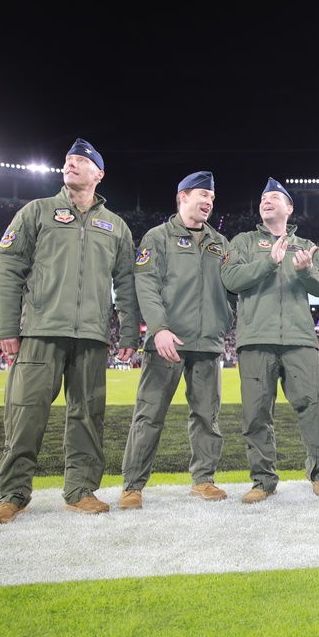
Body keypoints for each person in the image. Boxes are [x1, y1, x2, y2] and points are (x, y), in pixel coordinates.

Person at [0, 138, 139, 524]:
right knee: (25, 414)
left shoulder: (115, 226)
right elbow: (8, 267)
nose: (70, 164)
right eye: (68, 160)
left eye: (81, 161)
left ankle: (80, 491)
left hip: (91, 336)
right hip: (40, 331)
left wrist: (129, 335)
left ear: (98, 174)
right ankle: (13, 495)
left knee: (88, 417)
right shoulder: (36, 212)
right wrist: (7, 325)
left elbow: (127, 283)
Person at [119, 171, 235, 509]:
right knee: (149, 414)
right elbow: (146, 285)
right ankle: (133, 486)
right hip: (166, 343)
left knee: (207, 416)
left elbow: (231, 290)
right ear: (182, 197)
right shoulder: (157, 238)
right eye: (202, 195)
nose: (208, 201)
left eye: (212, 197)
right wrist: (159, 328)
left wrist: (221, 323)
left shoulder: (220, 242)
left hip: (208, 344)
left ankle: (203, 480)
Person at [221, 178, 319, 501]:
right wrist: (269, 262)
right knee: (256, 412)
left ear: (289, 208)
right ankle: (263, 480)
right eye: (263, 198)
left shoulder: (306, 245)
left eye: (274, 197)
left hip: (300, 339)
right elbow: (230, 278)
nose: (266, 201)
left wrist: (305, 270)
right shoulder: (242, 242)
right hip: (256, 338)